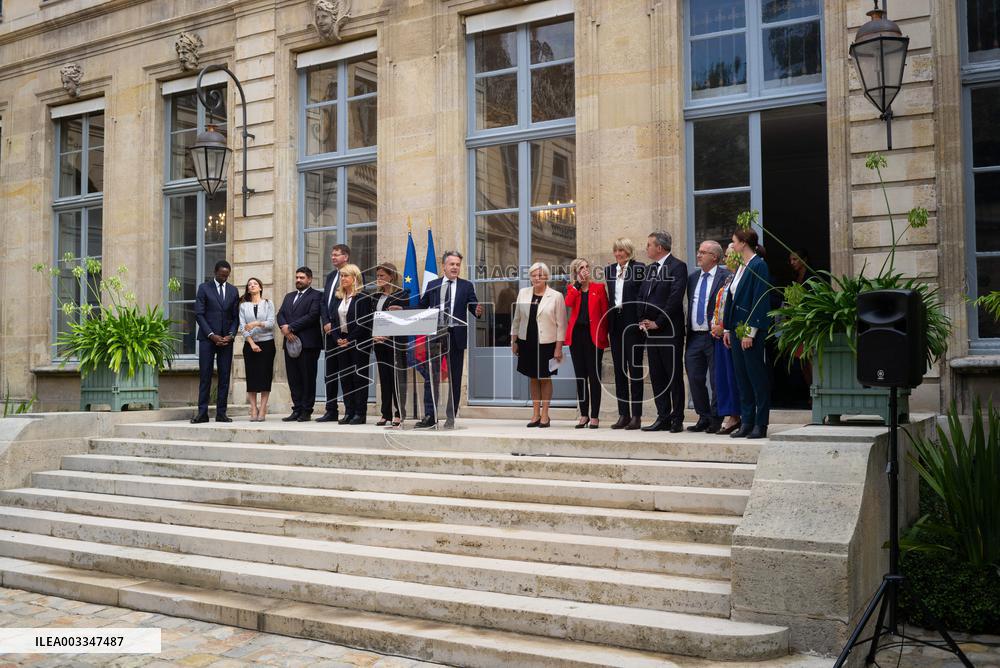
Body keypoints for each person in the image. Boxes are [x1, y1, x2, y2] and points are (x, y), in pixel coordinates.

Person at [416, 250, 482, 429]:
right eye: (451, 264)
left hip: (456, 336)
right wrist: (404, 308)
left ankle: (451, 416)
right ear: (444, 266)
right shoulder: (433, 284)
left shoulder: (466, 286)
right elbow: (422, 307)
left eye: (458, 265)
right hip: (436, 335)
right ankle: (430, 415)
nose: (455, 267)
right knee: (432, 377)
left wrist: (477, 310)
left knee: (455, 377)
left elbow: (473, 305)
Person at [724, 229, 773, 439]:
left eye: (734, 242)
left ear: (743, 243)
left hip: (749, 331)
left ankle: (760, 424)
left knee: (756, 378)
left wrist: (750, 332)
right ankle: (747, 421)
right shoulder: (741, 267)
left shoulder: (758, 265)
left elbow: (760, 298)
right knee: (742, 378)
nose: (732, 245)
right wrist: (727, 328)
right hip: (736, 329)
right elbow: (732, 299)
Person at [637, 231, 688, 433]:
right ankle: (663, 417)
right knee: (657, 376)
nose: (646, 248)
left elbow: (675, 299)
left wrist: (658, 322)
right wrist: (642, 320)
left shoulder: (678, 267)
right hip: (651, 332)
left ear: (659, 247)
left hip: (669, 331)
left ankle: (677, 419)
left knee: (673, 376)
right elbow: (642, 295)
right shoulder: (649, 270)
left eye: (649, 244)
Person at [512, 262, 567, 428]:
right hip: (526, 341)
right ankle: (535, 413)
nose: (537, 278)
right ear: (530, 277)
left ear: (546, 277)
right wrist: (514, 340)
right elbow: (517, 319)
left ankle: (545, 414)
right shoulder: (523, 293)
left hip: (547, 343)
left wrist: (559, 347)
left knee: (545, 377)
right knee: (533, 377)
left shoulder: (556, 296)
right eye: (534, 275)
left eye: (540, 275)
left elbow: (562, 324)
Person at [685, 241, 731, 433]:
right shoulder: (693, 278)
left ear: (714, 257)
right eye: (698, 251)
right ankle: (703, 416)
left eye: (703, 252)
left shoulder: (726, 277)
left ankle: (716, 418)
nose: (698, 255)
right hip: (695, 336)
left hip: (714, 337)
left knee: (715, 379)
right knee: (694, 377)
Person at [192, 260, 240, 423]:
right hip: (207, 339)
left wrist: (231, 334)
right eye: (221, 275)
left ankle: (221, 413)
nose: (224, 278)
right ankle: (202, 413)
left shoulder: (233, 291)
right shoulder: (204, 288)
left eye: (227, 275)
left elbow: (235, 317)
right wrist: (211, 335)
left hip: (226, 341)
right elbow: (199, 314)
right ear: (215, 272)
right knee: (205, 376)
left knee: (225, 376)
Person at [605, 238, 644, 430]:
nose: (618, 254)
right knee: (620, 371)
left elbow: (641, 296)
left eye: (622, 250)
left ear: (629, 251)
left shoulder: (639, 268)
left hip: (632, 323)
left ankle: (636, 416)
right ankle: (623, 414)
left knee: (635, 371)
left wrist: (640, 321)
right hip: (616, 323)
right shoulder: (610, 270)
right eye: (616, 250)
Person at [566, 258, 609, 429]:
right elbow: (568, 303)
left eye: (586, 267)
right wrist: (577, 285)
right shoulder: (572, 289)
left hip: (593, 337)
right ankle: (583, 414)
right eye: (580, 268)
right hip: (576, 337)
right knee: (580, 377)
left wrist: (604, 337)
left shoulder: (598, 288)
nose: (585, 270)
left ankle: (595, 416)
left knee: (594, 377)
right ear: (575, 272)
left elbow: (605, 314)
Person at [277, 266, 323, 422]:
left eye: (302, 278)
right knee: (294, 378)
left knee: (307, 378)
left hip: (309, 344)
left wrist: (290, 327)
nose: (298, 280)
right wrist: (285, 329)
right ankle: (296, 409)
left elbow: (313, 315)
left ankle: (306, 410)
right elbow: (280, 314)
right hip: (289, 343)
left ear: (309, 279)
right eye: (297, 277)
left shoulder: (316, 295)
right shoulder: (289, 296)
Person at [329, 264, 373, 425]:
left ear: (355, 278)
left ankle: (360, 413)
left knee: (358, 378)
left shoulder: (363, 297)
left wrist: (350, 339)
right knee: (345, 378)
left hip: (359, 342)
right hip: (341, 342)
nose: (342, 279)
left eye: (346, 276)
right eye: (341, 276)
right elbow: (333, 321)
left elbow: (364, 323)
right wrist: (337, 338)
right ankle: (349, 411)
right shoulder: (338, 297)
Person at [371, 262, 410, 427]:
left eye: (382, 276)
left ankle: (399, 413)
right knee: (385, 379)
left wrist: (388, 334)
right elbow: (370, 319)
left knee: (396, 379)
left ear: (391, 277)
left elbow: (405, 319)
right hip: (379, 343)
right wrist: (375, 335)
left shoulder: (402, 295)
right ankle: (385, 413)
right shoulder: (375, 297)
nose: (379, 279)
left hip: (395, 343)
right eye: (377, 276)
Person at [317, 244, 351, 422]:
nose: (333, 257)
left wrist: (334, 323)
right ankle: (331, 409)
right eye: (332, 254)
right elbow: (324, 302)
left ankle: (349, 410)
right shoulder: (331, 276)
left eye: (337, 255)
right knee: (329, 373)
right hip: (329, 332)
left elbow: (347, 301)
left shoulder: (351, 275)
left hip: (344, 331)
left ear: (346, 257)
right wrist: (325, 321)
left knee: (345, 372)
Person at [711, 244, 742, 435]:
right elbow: (718, 305)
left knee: (733, 379)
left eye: (730, 255)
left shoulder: (741, 278)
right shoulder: (728, 278)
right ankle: (729, 414)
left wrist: (725, 328)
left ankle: (735, 415)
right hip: (720, 335)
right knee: (722, 379)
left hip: (732, 336)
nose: (725, 259)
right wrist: (714, 325)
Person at [239, 278, 276, 422]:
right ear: (248, 290)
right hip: (250, 345)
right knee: (252, 377)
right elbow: (242, 327)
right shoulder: (243, 306)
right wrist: (251, 343)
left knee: (265, 376)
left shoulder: (268, 303)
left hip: (267, 344)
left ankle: (263, 408)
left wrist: (256, 323)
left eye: (254, 284)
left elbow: (271, 323)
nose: (252, 286)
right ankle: (253, 408)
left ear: (260, 287)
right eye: (249, 285)